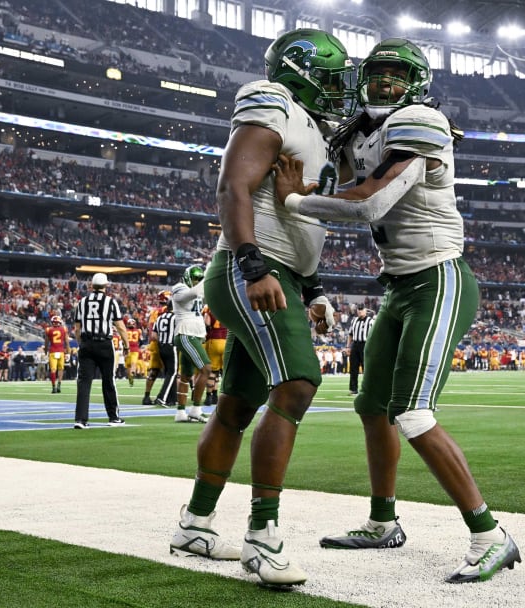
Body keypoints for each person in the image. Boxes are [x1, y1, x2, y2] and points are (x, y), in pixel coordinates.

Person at [272, 37, 520, 583]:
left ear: (418, 84)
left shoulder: (420, 120)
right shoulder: (357, 132)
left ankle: (490, 534)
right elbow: (332, 182)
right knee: (372, 406)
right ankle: (384, 522)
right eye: (377, 73)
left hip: (437, 276)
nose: (384, 83)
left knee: (412, 411)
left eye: (396, 74)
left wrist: (292, 200)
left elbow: (375, 201)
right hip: (399, 285)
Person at [169, 28, 351, 588]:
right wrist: (252, 263)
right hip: (254, 268)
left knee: (237, 404)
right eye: (327, 77)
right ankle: (262, 538)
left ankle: (195, 524)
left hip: (285, 273)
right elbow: (233, 186)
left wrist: (313, 287)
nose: (335, 90)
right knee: (298, 382)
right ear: (298, 72)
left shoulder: (312, 130)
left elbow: (298, 219)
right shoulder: (273, 104)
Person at [72, 272, 128, 429]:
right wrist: (126, 345)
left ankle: (80, 419)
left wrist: (81, 344)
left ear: (92, 286)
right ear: (105, 286)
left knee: (84, 382)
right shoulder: (110, 302)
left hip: (86, 343)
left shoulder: (82, 302)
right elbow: (120, 327)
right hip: (104, 344)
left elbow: (77, 329)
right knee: (108, 381)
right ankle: (113, 417)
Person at [170, 264, 212, 424]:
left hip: (193, 335)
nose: (197, 282)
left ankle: (180, 412)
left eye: (199, 279)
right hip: (186, 334)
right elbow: (194, 293)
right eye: (195, 278)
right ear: (187, 277)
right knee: (206, 369)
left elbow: (204, 294)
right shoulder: (179, 288)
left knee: (186, 376)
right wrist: (209, 273)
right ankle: (196, 409)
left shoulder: (198, 290)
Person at [142, 290, 171, 405]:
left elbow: (151, 330)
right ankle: (168, 396)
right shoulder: (170, 311)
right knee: (171, 371)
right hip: (167, 342)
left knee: (154, 370)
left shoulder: (154, 312)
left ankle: (146, 396)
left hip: (154, 343)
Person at [202, 305, 227, 406]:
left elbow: (207, 323)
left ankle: (209, 396)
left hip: (214, 340)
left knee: (213, 371)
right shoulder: (228, 306)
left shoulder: (209, 307)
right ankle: (217, 395)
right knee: (224, 372)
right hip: (226, 340)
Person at [346, 306, 372, 395]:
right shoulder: (354, 320)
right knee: (353, 368)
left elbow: (375, 335)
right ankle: (353, 389)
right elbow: (350, 334)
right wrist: (348, 347)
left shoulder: (371, 321)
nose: (360, 312)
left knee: (366, 368)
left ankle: (368, 389)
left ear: (365, 311)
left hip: (366, 345)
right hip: (355, 344)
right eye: (359, 310)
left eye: (361, 310)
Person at [45, 314, 69, 394]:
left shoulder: (49, 330)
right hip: (61, 351)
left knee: (53, 370)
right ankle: (59, 385)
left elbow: (46, 343)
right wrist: (68, 352)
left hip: (53, 351)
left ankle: (54, 387)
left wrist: (45, 352)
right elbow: (67, 342)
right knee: (61, 369)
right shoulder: (64, 329)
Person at [124, 318, 142, 387]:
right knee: (132, 364)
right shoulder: (139, 331)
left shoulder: (125, 331)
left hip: (127, 349)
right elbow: (140, 340)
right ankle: (132, 374)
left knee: (128, 366)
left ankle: (130, 378)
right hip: (135, 349)